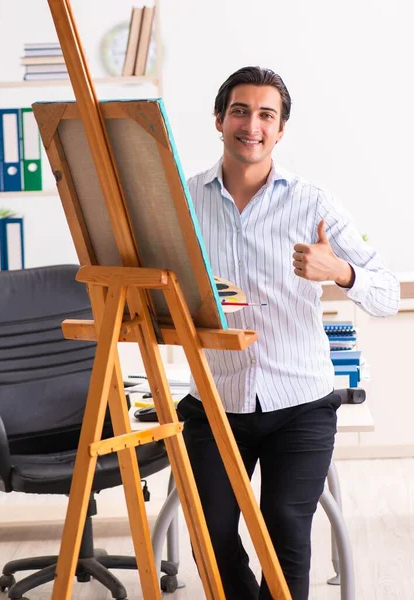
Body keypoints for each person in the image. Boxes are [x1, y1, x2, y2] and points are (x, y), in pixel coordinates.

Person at [177, 66, 400, 600]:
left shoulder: (313, 203)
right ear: (218, 120)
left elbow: (389, 293)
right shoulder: (183, 202)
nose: (251, 124)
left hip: (300, 402)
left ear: (280, 131)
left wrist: (339, 272)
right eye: (239, 110)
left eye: (265, 115)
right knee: (210, 536)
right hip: (216, 400)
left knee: (284, 528)